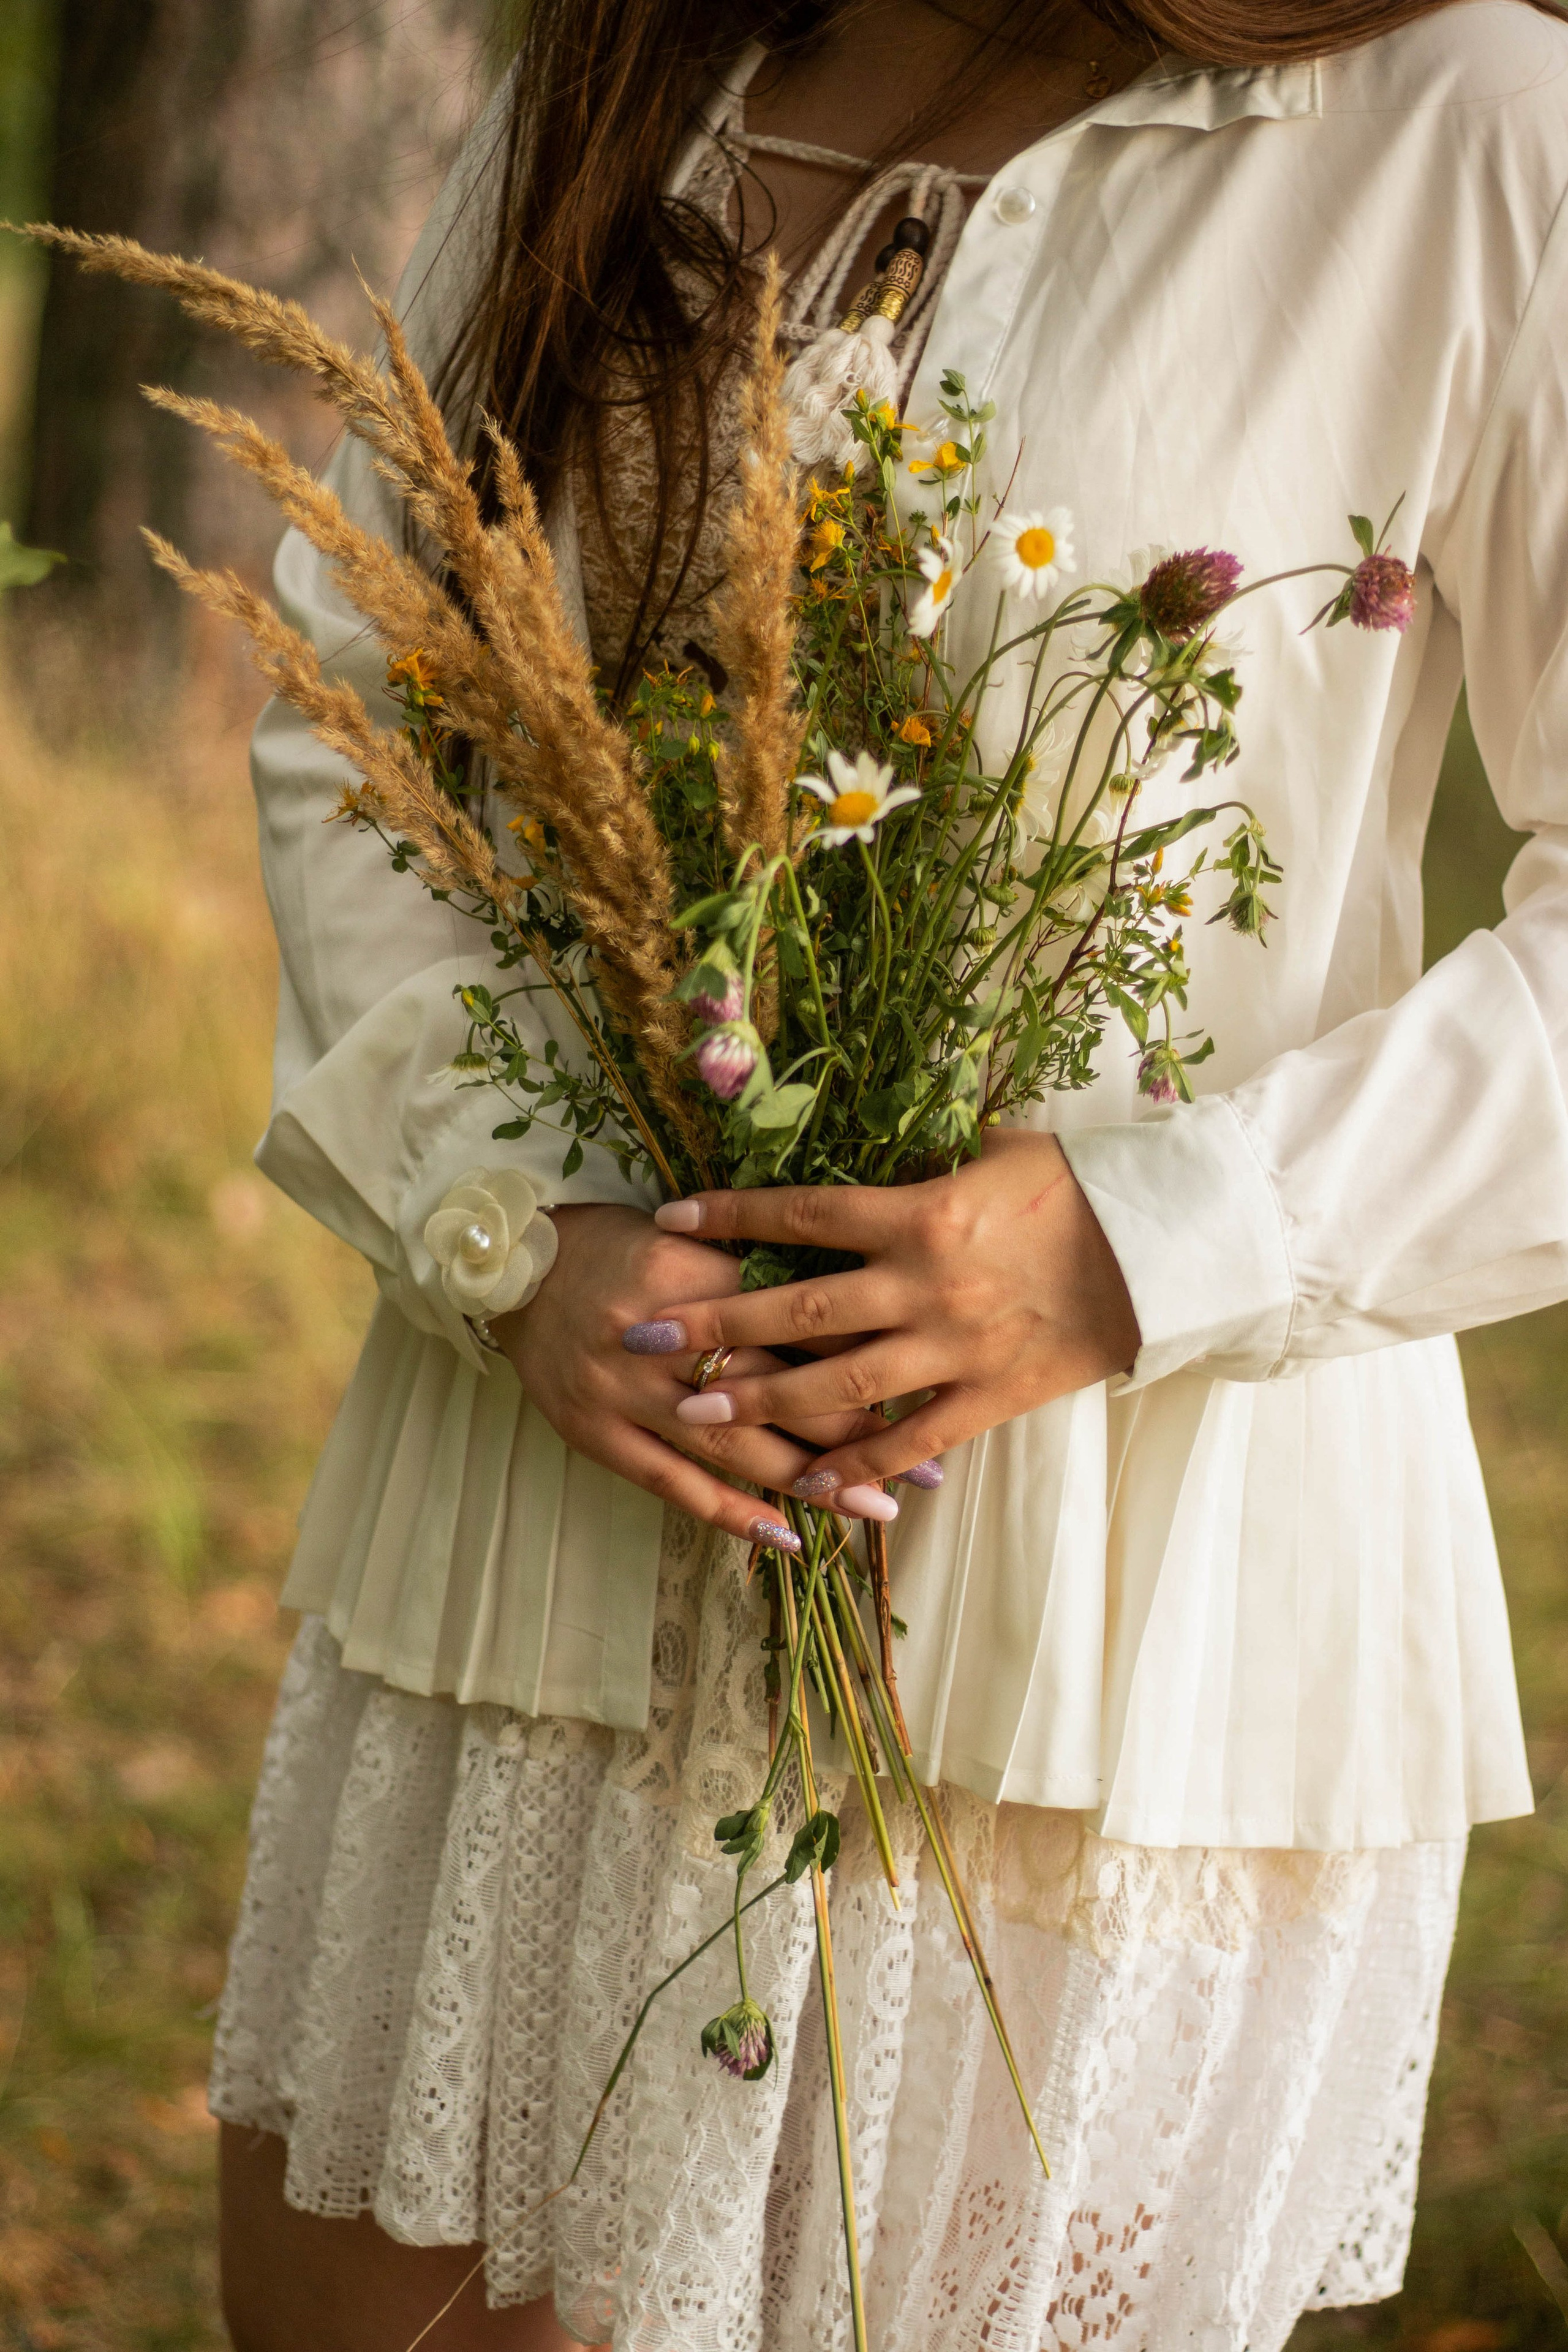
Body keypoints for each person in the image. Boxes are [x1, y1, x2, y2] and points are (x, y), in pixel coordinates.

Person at [211, 2, 1568, 2346]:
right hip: (544, 1506)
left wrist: (1140, 1248)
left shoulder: (1474, 125)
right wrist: (505, 1224)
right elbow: (362, 699)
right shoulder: (623, 68)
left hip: (1118, 1628)